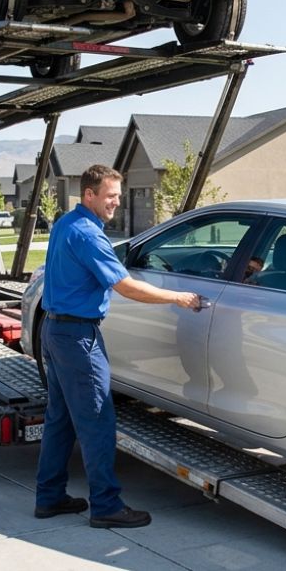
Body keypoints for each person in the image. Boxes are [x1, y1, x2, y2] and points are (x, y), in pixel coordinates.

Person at [33, 164, 201, 529]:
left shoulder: (66, 223)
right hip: (78, 338)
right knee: (97, 422)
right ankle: (106, 506)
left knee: (60, 420)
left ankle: (49, 497)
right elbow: (125, 286)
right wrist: (178, 297)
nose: (116, 203)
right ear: (89, 194)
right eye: (110, 196)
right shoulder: (89, 236)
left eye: (118, 196)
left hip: (55, 332)